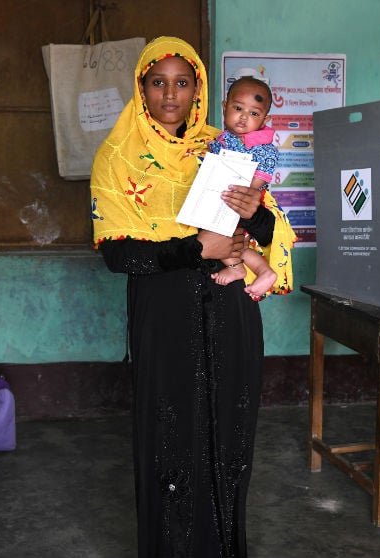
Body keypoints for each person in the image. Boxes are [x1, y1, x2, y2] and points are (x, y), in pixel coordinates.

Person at [89, 36, 296, 558]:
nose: (170, 94)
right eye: (158, 82)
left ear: (199, 88)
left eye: (183, 82)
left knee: (229, 441)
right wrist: (194, 249)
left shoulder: (226, 147)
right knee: (171, 445)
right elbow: (116, 254)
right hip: (165, 316)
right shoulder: (118, 156)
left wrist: (255, 213)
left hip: (229, 313)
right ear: (141, 87)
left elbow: (272, 228)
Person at [208, 77, 279, 299]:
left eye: (254, 113)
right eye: (238, 108)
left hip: (238, 201)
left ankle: (236, 267)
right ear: (224, 107)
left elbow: (256, 184)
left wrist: (243, 197)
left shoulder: (262, 146)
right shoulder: (221, 140)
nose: (244, 117)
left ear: (265, 119)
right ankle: (263, 271)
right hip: (224, 197)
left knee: (221, 236)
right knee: (232, 242)